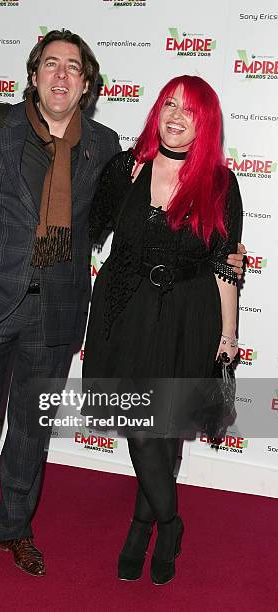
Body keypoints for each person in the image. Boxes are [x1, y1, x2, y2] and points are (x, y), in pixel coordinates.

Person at [0, 30, 122, 603]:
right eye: (50, 65)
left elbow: (116, 221)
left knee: (31, 432)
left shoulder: (105, 145)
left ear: (86, 84)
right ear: (34, 74)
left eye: (72, 68)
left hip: (57, 310)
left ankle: (14, 529)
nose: (60, 75)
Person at [83, 75, 243, 586]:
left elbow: (226, 264)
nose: (175, 116)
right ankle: (167, 524)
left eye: (189, 110)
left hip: (187, 315)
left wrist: (229, 333)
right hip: (124, 311)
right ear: (157, 110)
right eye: (169, 104)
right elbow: (86, 231)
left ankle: (142, 525)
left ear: (206, 125)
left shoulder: (220, 183)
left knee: (165, 430)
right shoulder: (126, 168)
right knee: (141, 426)